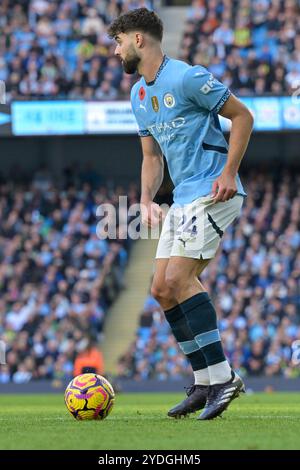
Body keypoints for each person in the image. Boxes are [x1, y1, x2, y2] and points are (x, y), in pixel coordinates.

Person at [108, 8, 253, 420]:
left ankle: (224, 378)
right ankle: (204, 381)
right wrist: (145, 197)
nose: (115, 51)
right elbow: (151, 156)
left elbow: (243, 116)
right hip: (182, 199)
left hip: (212, 189)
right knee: (160, 289)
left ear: (139, 39)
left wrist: (229, 171)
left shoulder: (188, 77)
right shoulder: (139, 95)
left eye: (118, 42)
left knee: (178, 279)